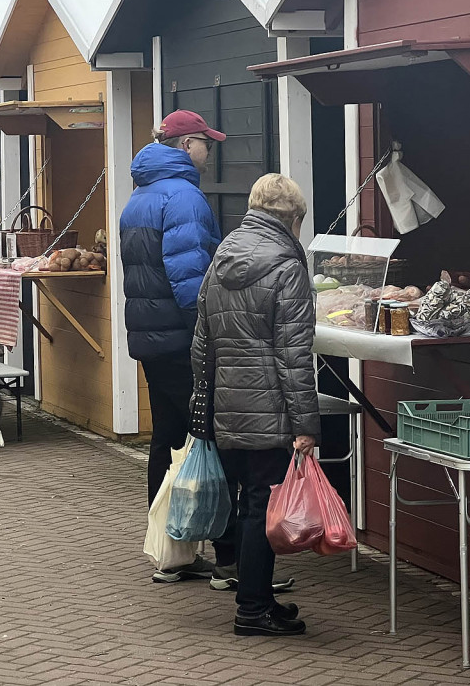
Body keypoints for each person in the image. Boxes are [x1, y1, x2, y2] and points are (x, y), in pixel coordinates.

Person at [190, 173, 319, 637]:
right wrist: (307, 425)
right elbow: (294, 354)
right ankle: (252, 609)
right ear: (292, 218)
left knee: (248, 503)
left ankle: (258, 600)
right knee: (263, 507)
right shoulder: (288, 265)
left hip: (227, 405)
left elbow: (201, 340)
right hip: (271, 410)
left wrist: (203, 404)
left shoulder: (221, 254)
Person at [119, 109, 223, 582]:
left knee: (166, 439)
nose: (210, 150)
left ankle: (170, 553)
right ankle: (233, 560)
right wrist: (211, 337)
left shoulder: (139, 197)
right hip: (182, 340)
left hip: (147, 337)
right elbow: (190, 284)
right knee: (209, 440)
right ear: (186, 146)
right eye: (206, 142)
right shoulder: (185, 198)